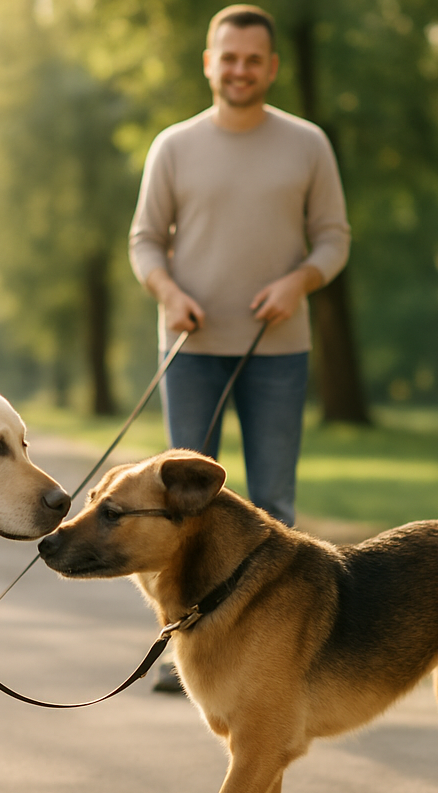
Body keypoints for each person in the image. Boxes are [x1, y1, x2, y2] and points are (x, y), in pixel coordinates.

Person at [128, 3, 350, 691]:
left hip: (278, 349)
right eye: (228, 57)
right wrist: (169, 294)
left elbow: (334, 238)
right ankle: (186, 648)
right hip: (189, 349)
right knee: (181, 506)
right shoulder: (174, 145)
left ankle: (272, 654)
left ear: (271, 67)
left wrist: (299, 282)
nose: (240, 69)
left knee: (273, 505)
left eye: (253, 59)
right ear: (208, 62)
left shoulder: (308, 142)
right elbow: (142, 241)